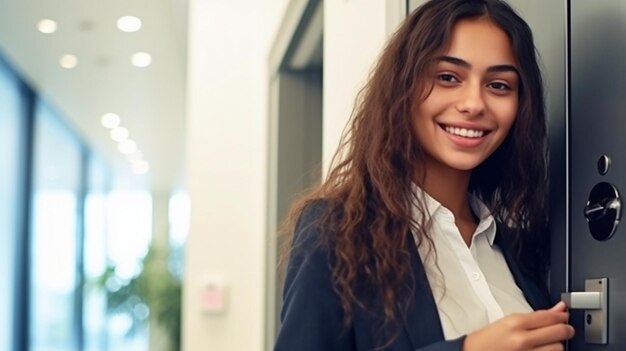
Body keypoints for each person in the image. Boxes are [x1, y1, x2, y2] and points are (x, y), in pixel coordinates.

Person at [274, 0, 575, 350]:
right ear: (404, 87)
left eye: (499, 85)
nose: (474, 103)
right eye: (448, 77)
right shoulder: (337, 231)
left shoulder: (518, 246)